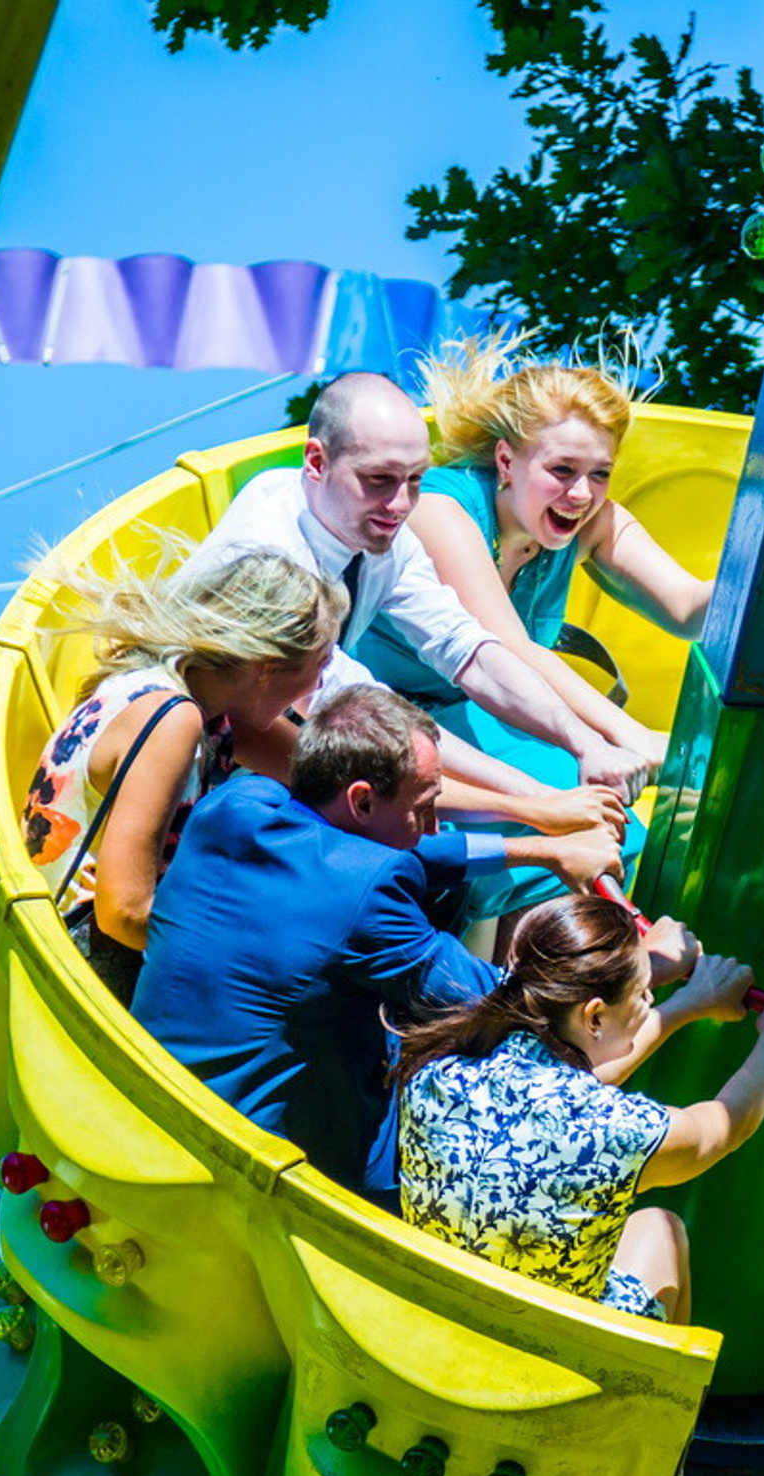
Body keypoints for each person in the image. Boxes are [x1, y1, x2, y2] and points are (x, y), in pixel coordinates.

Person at [131, 684, 628, 1204]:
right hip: (266, 1172)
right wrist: (645, 971)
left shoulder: (237, 804)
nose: (433, 826)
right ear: (362, 799)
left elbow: (412, 852)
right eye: (426, 806)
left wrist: (544, 852)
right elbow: (513, 999)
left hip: (157, 1107)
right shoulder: (368, 896)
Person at [184, 370, 646, 841]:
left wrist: (586, 743)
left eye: (415, 481)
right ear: (317, 462)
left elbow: (465, 647)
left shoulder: (383, 535)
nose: (400, 504)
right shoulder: (270, 558)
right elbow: (365, 713)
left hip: (300, 754)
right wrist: (535, 801)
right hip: (209, 775)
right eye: (379, 480)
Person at [355, 336, 713, 924]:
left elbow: (688, 609)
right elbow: (507, 650)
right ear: (505, 461)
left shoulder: (592, 518)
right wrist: (626, 736)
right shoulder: (442, 510)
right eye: (562, 471)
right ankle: (500, 985)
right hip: (389, 717)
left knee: (613, 833)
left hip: (489, 713)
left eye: (600, 473)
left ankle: (552, 996)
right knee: (569, 817)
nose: (580, 494)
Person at [396, 894, 764, 1325]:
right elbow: (723, 1129)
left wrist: (689, 1003)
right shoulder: (617, 1133)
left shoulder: (437, 1071)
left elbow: (569, 1083)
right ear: (594, 1016)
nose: (651, 1003)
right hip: (543, 1367)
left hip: (434, 1327)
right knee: (661, 1227)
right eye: (643, 994)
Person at [22, 549, 344, 1005]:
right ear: (266, 669)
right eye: (321, 666)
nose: (318, 687)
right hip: (86, 973)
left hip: (58, 947)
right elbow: (125, 912)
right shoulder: (171, 720)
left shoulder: (164, 689)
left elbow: (334, 776)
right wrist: (260, 956)